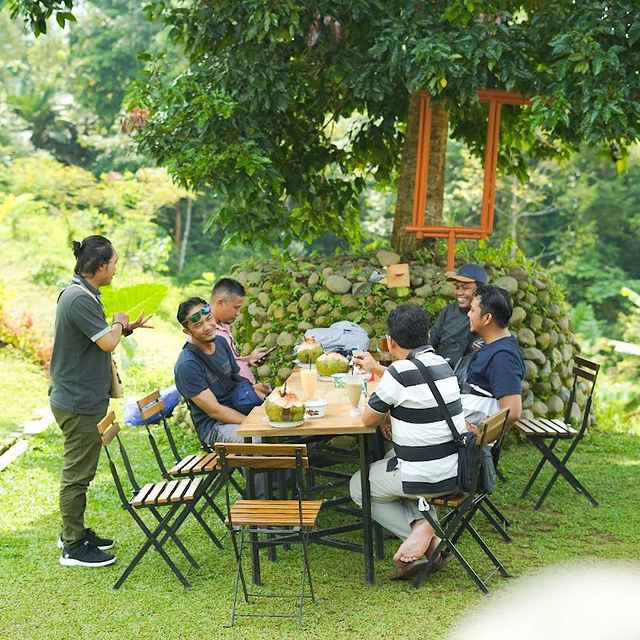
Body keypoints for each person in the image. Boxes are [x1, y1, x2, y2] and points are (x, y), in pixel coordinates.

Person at [50, 235, 151, 567]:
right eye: (114, 262)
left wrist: (126, 328)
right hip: (77, 400)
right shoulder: (79, 298)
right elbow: (108, 342)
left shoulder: (84, 294)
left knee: (83, 470)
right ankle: (73, 546)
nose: (116, 268)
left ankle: (74, 532)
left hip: (82, 397)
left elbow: (96, 340)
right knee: (77, 473)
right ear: (98, 266)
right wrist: (120, 324)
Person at [349, 304, 467, 580]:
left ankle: (422, 535)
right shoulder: (442, 364)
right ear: (427, 334)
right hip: (456, 468)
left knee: (358, 486)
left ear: (390, 341)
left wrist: (383, 410)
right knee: (391, 453)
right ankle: (427, 531)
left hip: (428, 476)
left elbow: (367, 420)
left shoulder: (399, 372)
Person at [174, 297, 271, 446]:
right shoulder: (187, 366)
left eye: (209, 319)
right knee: (257, 438)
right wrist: (253, 423)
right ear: (187, 331)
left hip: (237, 407)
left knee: (280, 420)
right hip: (215, 426)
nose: (207, 327)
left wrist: (253, 390)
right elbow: (215, 411)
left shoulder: (220, 341)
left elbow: (234, 379)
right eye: (198, 325)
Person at [462, 284, 524, 426]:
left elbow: (512, 412)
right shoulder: (491, 345)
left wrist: (479, 438)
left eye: (472, 310)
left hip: (469, 438)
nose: (468, 314)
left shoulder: (503, 357)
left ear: (487, 318)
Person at [428, 263, 489, 369]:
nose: (459, 293)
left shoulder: (486, 317)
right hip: (440, 369)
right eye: (457, 287)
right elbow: (433, 338)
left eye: (465, 288)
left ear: (479, 290)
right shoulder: (449, 311)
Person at [210, 278, 267, 384]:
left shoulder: (223, 325)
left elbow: (230, 363)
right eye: (236, 308)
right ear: (220, 303)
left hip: (247, 391)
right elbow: (220, 374)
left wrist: (249, 359)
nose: (238, 313)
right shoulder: (208, 334)